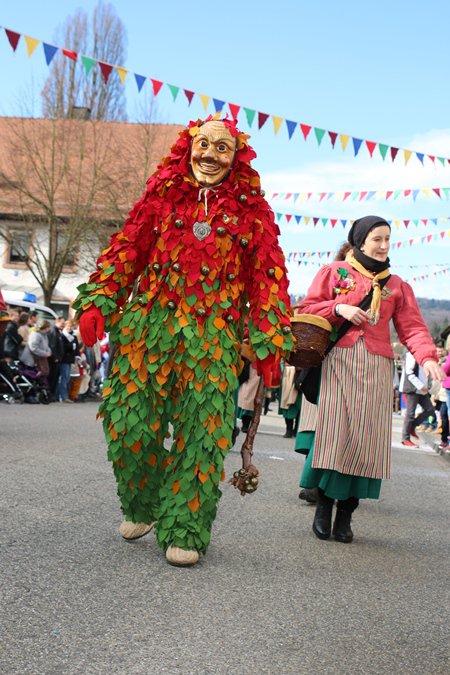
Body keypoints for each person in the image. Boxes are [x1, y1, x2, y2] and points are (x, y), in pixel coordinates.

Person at [73, 116, 294, 566]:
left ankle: (185, 527)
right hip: (147, 330)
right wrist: (100, 300)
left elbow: (267, 280)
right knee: (128, 425)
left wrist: (269, 341)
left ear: (237, 158)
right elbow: (127, 249)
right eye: (203, 144)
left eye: (222, 148)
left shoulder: (253, 213)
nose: (210, 155)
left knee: (202, 436)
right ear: (187, 148)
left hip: (213, 339)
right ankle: (144, 505)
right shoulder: (160, 196)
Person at [294, 215, 442, 544]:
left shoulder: (397, 285)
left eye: (388, 239)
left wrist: (427, 357)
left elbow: (413, 327)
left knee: (366, 440)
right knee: (334, 435)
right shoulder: (333, 273)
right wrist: (339, 309)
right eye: (378, 238)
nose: (384, 245)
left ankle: (347, 511)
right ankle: (324, 506)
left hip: (377, 367)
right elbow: (306, 309)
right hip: (338, 362)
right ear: (361, 240)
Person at [400, 350, 436, 445]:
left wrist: (427, 386)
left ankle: (412, 426)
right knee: (410, 413)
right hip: (412, 388)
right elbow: (409, 373)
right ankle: (405, 438)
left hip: (422, 390)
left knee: (430, 410)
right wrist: (421, 385)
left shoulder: (425, 356)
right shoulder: (411, 355)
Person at [56, 319, 80, 403]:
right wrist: (71, 346)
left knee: (67, 378)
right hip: (64, 359)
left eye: (71, 326)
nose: (70, 328)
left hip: (71, 360)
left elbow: (76, 348)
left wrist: (78, 356)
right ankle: (63, 396)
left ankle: (63, 395)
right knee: (64, 377)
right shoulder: (62, 336)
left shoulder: (74, 336)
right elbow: (63, 347)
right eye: (68, 326)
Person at [47, 316, 65, 400]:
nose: (63, 325)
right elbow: (52, 346)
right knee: (52, 377)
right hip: (53, 360)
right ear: (56, 322)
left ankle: (52, 394)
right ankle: (49, 394)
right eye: (62, 323)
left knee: (55, 378)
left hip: (57, 359)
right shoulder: (53, 332)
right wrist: (55, 357)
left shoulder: (58, 332)